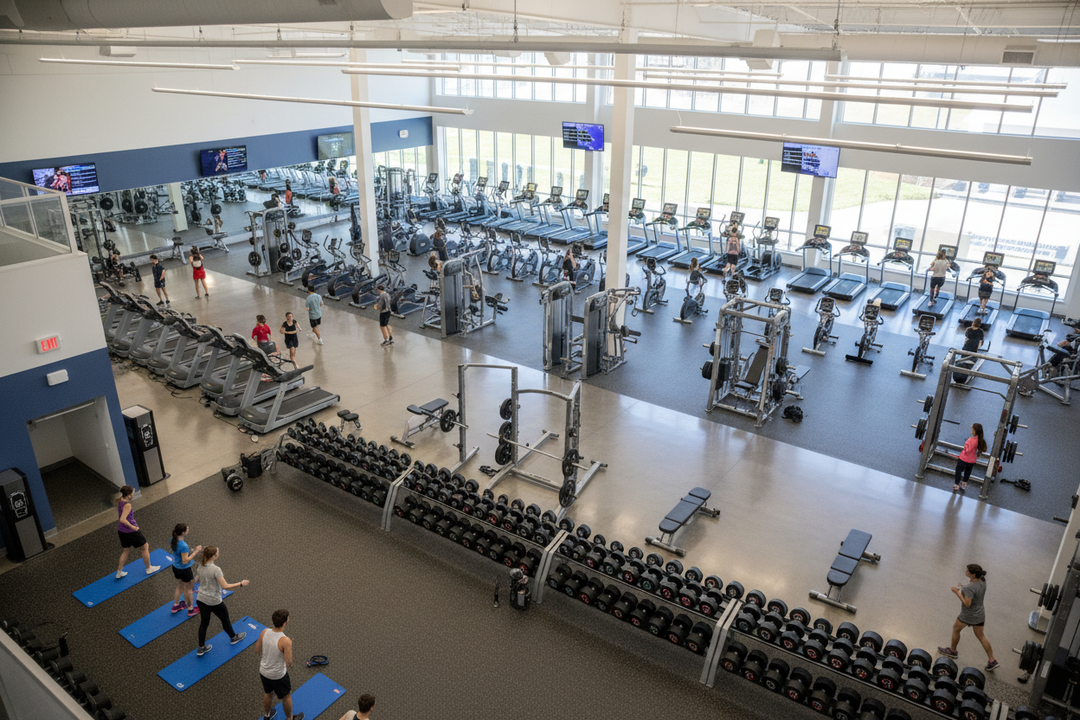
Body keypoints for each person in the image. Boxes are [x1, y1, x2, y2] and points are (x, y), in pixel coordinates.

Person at [938, 564, 998, 671]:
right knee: (981, 636)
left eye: (968, 571)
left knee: (956, 629)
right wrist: (963, 589)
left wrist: (957, 592)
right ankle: (992, 660)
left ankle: (952, 651)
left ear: (973, 574)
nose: (966, 571)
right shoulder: (982, 580)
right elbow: (974, 591)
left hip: (968, 615)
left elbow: (967, 603)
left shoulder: (969, 588)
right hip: (979, 614)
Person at [195, 545, 249, 657]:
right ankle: (233, 637)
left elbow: (196, 579)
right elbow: (225, 586)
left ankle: (201, 648)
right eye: (217, 552)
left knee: (204, 623)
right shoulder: (216, 569)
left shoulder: (200, 566)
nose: (218, 553)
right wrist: (240, 584)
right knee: (225, 620)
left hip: (201, 599)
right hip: (214, 601)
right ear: (214, 556)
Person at [255, 610, 303, 720]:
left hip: (263, 671)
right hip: (278, 675)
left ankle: (267, 716)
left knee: (268, 693)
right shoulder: (285, 640)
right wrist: (287, 648)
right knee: (286, 697)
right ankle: (290, 718)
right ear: (285, 622)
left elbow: (257, 649)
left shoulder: (264, 632)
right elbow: (289, 663)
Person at [115, 485, 160, 579]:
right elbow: (122, 519)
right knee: (145, 546)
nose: (133, 495)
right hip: (131, 531)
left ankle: (119, 572)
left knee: (126, 550)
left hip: (121, 531)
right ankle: (149, 568)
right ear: (128, 495)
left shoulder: (120, 500)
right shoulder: (127, 505)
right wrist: (133, 527)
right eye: (132, 494)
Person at [170, 524, 202, 616]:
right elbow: (185, 561)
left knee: (179, 585)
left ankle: (176, 605)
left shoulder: (172, 539)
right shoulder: (183, 546)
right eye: (187, 529)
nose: (188, 529)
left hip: (176, 567)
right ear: (183, 532)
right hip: (184, 569)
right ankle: (191, 609)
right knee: (189, 589)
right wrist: (196, 551)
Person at [953, 423, 986, 493]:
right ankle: (964, 484)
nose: (971, 431)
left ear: (975, 431)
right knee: (967, 472)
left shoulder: (971, 440)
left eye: (972, 430)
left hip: (964, 459)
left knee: (958, 470)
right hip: (972, 460)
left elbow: (967, 450)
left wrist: (964, 450)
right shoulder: (979, 440)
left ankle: (956, 484)